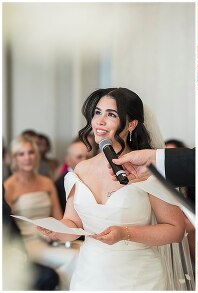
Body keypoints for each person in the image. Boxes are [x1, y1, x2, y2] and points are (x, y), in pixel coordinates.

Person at [40, 87, 189, 290]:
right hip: (89, 274)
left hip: (139, 277)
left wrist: (125, 233)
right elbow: (73, 223)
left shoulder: (145, 169)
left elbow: (175, 230)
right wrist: (57, 230)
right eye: (97, 112)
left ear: (131, 124)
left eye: (111, 115)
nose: (99, 121)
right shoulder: (82, 169)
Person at [4, 135, 76, 288]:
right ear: (15, 158)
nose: (27, 158)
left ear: (36, 155)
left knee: (84, 253)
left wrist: (56, 233)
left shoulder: (46, 182)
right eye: (21, 154)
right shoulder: (8, 187)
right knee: (73, 258)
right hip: (27, 243)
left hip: (52, 238)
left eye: (31, 152)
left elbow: (59, 217)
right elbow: (8, 226)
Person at [55, 138, 92, 213]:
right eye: (79, 157)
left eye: (87, 157)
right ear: (68, 160)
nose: (84, 160)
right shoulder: (60, 185)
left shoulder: (95, 177)